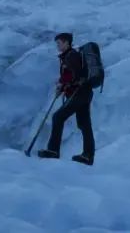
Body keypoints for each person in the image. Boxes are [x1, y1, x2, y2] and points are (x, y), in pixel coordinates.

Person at [37, 32, 95, 164]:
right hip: (84, 93)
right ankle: (88, 155)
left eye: (59, 43)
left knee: (58, 117)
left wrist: (61, 85)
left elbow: (71, 75)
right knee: (84, 124)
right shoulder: (71, 56)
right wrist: (63, 85)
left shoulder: (71, 56)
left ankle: (53, 151)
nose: (57, 46)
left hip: (78, 93)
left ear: (67, 43)